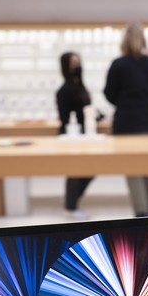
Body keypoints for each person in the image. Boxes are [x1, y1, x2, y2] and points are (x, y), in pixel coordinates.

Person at [105, 23, 148, 217]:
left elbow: (110, 94)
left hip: (128, 123)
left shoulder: (119, 65)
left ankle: (142, 214)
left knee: (133, 170)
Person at [56, 52, 94, 220]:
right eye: (73, 63)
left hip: (85, 135)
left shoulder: (81, 86)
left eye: (78, 62)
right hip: (72, 135)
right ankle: (70, 206)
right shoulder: (64, 90)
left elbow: (87, 108)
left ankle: (71, 200)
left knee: (90, 170)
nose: (76, 66)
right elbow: (65, 117)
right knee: (74, 171)